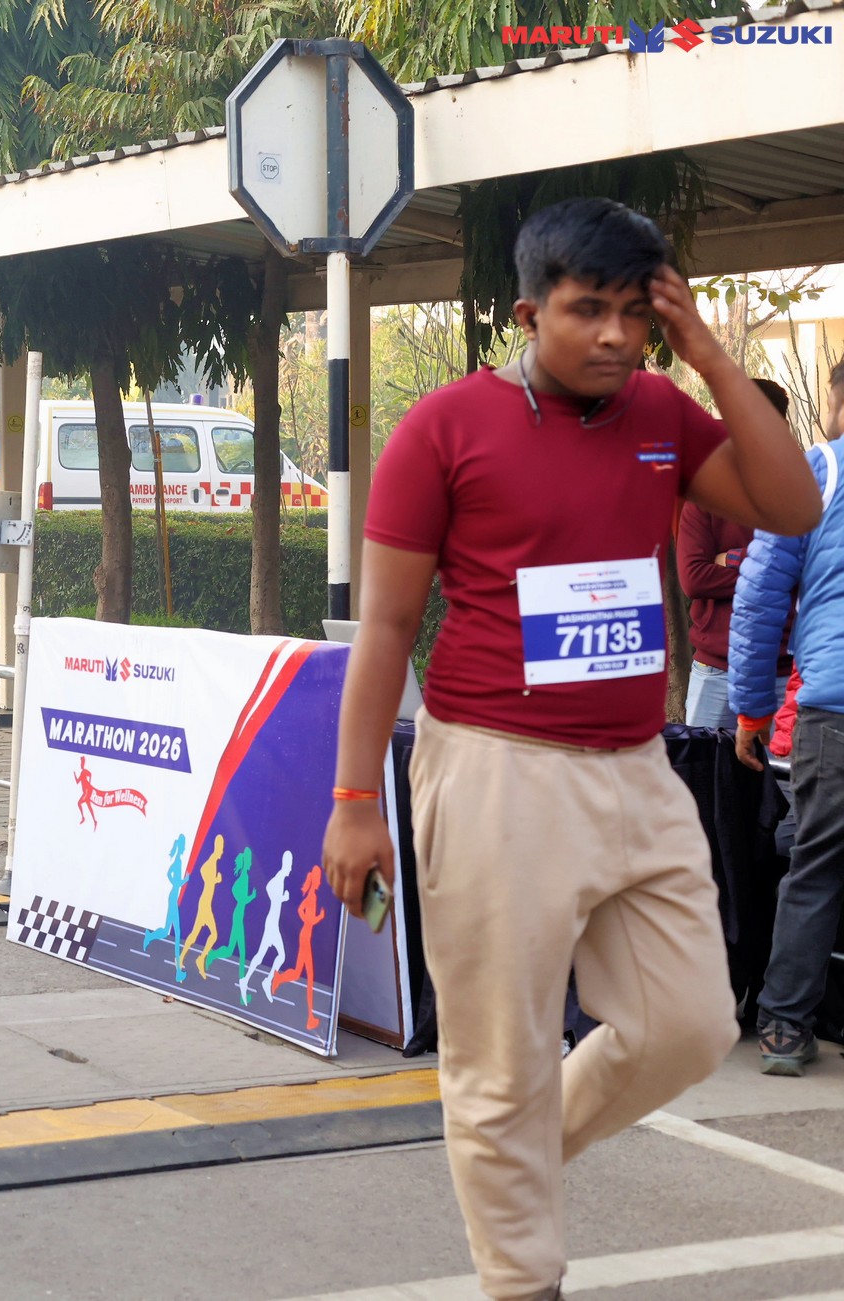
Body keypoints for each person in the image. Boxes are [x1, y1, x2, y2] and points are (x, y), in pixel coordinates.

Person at [322, 198, 820, 1301]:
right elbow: (386, 628)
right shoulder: (443, 428)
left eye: (633, 314)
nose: (612, 335)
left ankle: (513, 1151)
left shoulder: (661, 411)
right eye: (586, 309)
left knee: (690, 1022)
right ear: (527, 313)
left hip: (635, 768)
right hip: (493, 769)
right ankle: (521, 1272)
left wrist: (706, 354)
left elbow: (790, 506)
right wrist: (354, 798)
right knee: (499, 1057)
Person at [728, 357, 844, 1076]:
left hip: (832, 706)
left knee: (817, 864)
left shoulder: (817, 471)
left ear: (839, 399)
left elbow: (759, 594)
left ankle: (783, 1025)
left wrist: (752, 707)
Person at [678, 377, 796, 728]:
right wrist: (774, 570)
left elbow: (807, 567)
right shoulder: (706, 493)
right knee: (705, 763)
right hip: (717, 670)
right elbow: (694, 578)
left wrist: (730, 559)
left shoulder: (803, 492)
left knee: (787, 767)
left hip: (787, 671)